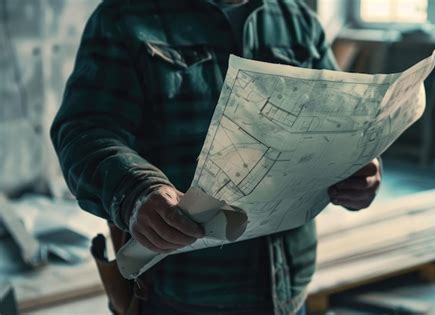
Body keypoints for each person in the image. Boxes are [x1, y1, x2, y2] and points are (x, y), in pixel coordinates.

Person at [50, 0, 381, 314]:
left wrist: (359, 169)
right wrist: (137, 191)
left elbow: (343, 119)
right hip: (181, 294)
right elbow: (84, 131)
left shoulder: (296, 20)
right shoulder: (124, 17)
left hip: (289, 290)